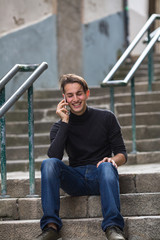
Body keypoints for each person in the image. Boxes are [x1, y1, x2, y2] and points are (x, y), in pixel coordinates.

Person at [37, 74, 127, 240]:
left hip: (101, 176)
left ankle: (113, 227)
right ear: (64, 98)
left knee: (107, 166)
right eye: (70, 95)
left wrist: (112, 161)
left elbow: (122, 154)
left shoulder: (106, 118)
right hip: (76, 179)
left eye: (79, 93)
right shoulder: (59, 126)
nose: (75, 99)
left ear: (87, 94)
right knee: (48, 163)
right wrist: (65, 121)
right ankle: (51, 227)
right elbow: (54, 157)